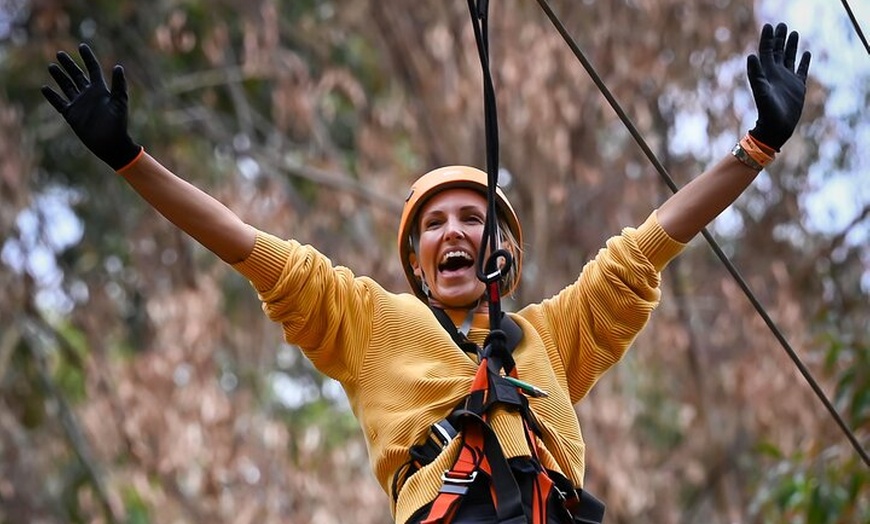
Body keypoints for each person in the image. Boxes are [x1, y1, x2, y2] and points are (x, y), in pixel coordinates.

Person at [41, 21, 810, 524]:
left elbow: (649, 244)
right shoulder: (372, 323)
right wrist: (130, 161)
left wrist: (757, 148)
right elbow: (244, 244)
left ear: (499, 251)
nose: (452, 232)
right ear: (414, 261)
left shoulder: (552, 335)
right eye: (433, 225)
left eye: (470, 219)